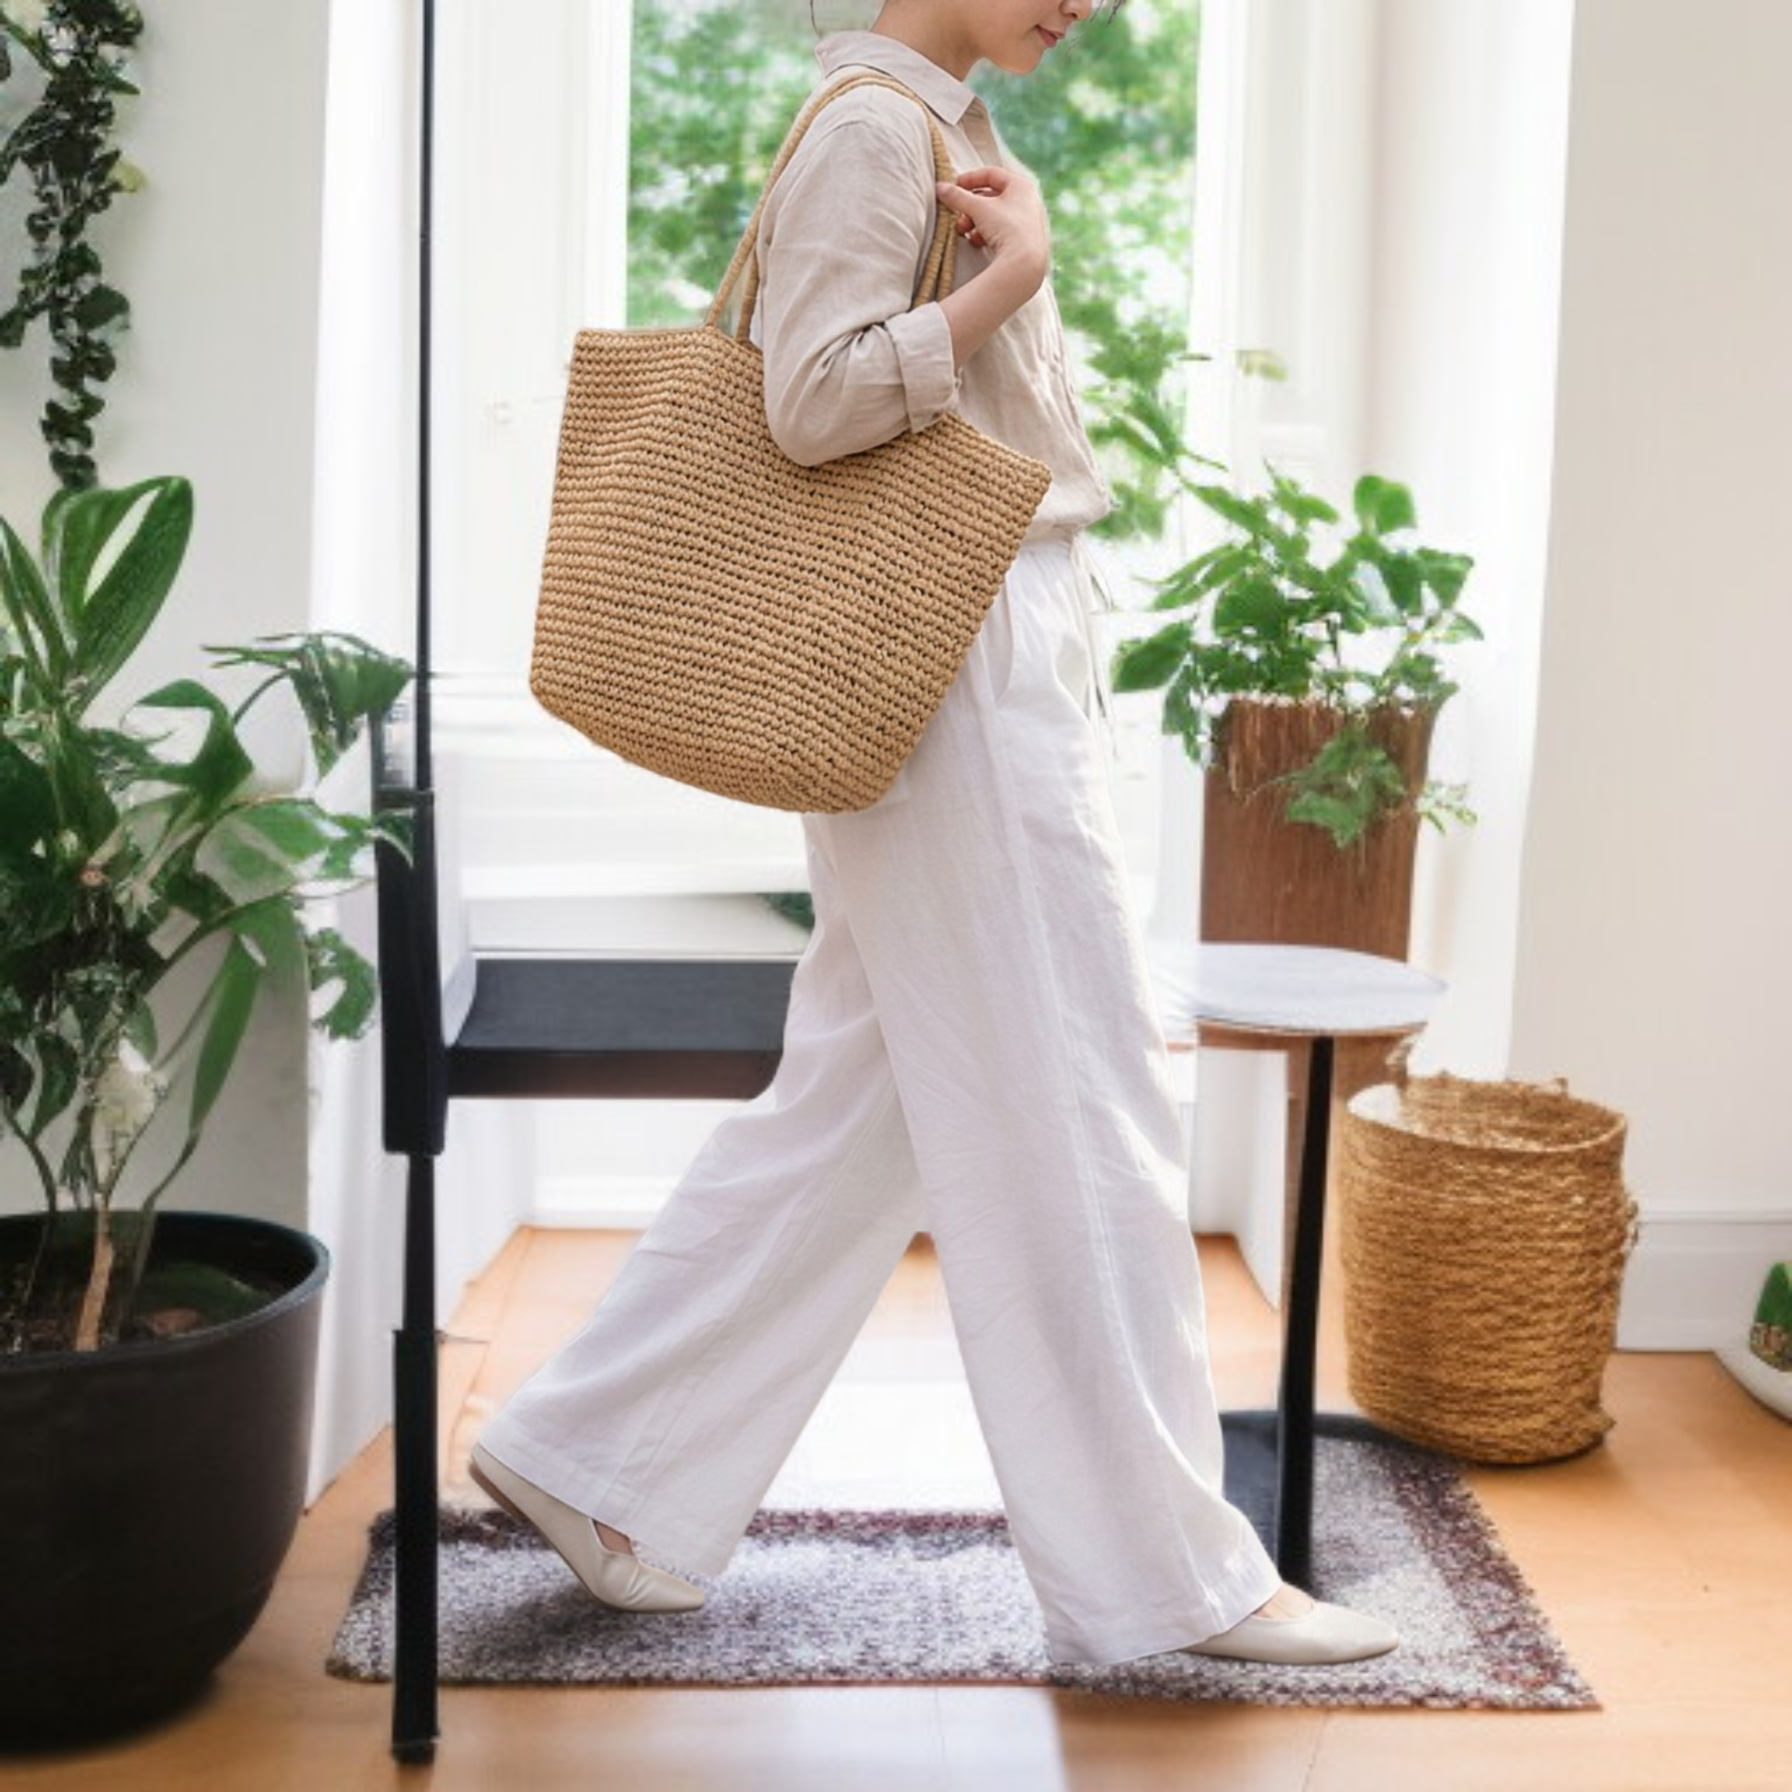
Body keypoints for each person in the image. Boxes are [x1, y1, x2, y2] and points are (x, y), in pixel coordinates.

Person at [470, 0, 1399, 1669]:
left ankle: (598, 1462)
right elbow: (811, 403)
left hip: (959, 648)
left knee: (865, 1103)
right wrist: (1005, 283)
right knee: (1079, 1099)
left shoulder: (925, 118)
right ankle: (1176, 1579)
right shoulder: (872, 127)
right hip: (946, 660)